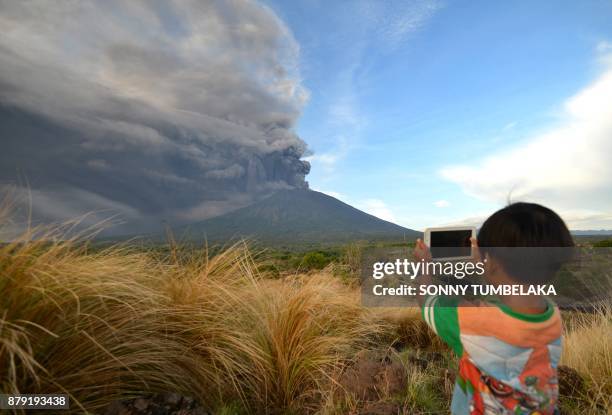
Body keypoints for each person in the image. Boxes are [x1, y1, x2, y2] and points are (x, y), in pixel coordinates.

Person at [414, 203, 574, 415]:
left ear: (492, 262)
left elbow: (427, 300)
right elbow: (508, 297)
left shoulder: (473, 322)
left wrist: (423, 266)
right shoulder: (551, 314)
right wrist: (487, 266)